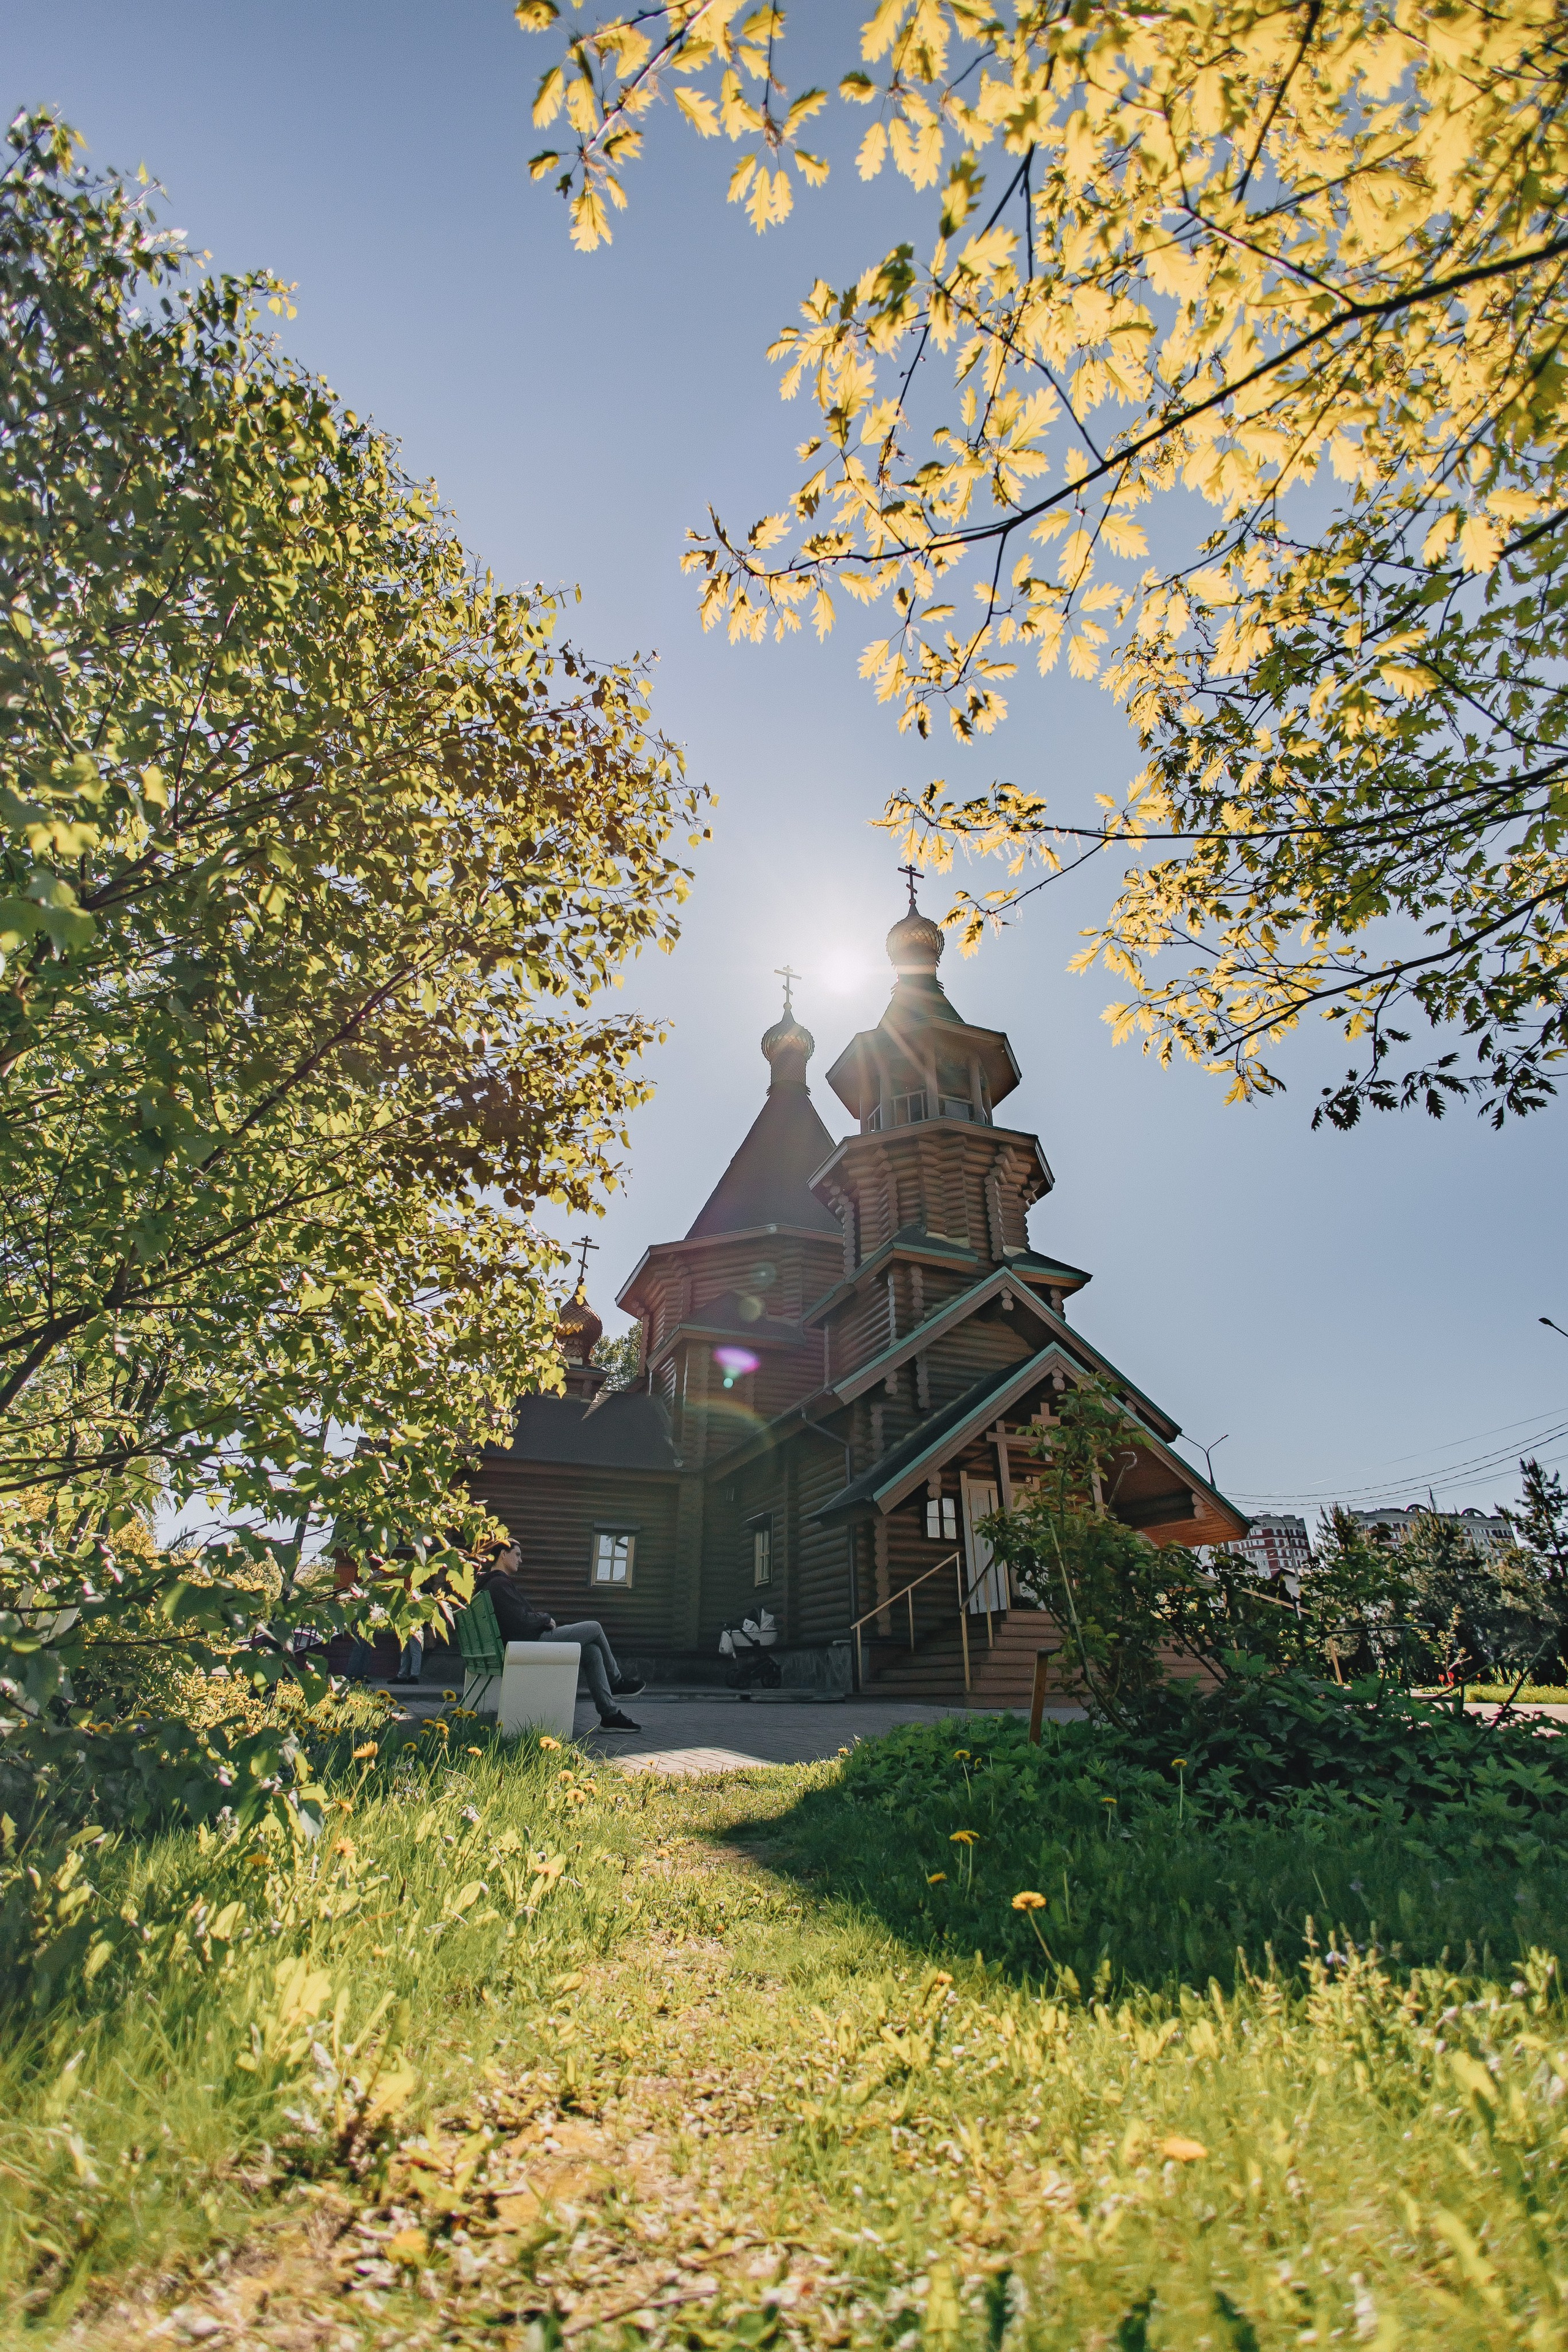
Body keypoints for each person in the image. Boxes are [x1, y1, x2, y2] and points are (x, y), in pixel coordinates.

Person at [476, 1541, 644, 1730]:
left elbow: (516, 1619)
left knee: (592, 1652)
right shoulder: (499, 1584)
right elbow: (521, 1622)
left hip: (522, 1644)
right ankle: (616, 1682)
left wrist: (540, 1619)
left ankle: (610, 1715)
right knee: (595, 1627)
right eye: (517, 1554)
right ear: (503, 1555)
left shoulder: (492, 1583)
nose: (520, 1560)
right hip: (531, 1643)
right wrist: (545, 1618)